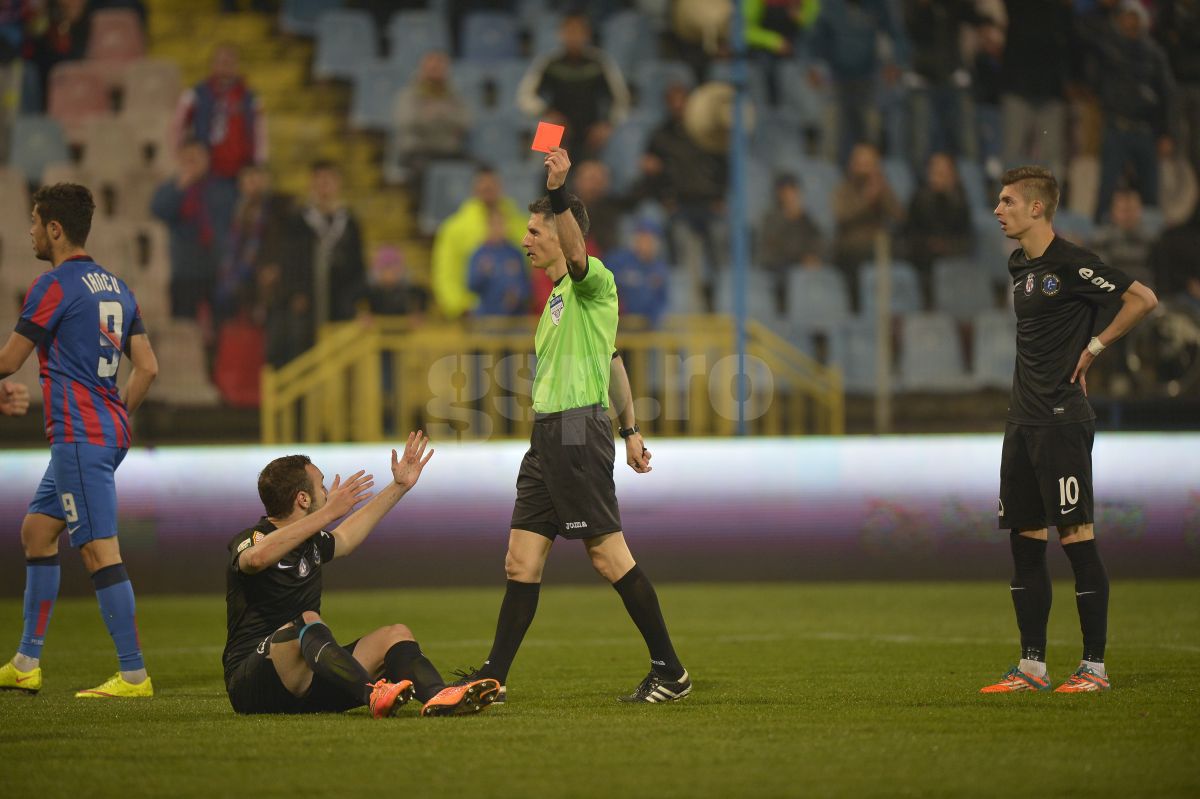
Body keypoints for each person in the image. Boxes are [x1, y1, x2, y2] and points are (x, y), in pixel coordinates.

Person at [455, 147, 691, 704]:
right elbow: (612, 361)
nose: (525, 240)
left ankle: (671, 671)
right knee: (521, 558)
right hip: (548, 438)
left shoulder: (595, 281)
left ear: (563, 234)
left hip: (578, 433)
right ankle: (495, 675)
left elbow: (580, 253)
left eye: (536, 230)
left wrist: (560, 191)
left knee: (609, 556)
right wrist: (632, 430)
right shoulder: (560, 300)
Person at [981, 166, 1157, 694]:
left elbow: (1143, 298)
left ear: (1037, 208)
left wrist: (1096, 346)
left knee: (1076, 537)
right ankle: (1032, 667)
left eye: (1007, 201)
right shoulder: (1020, 266)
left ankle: (1094, 668)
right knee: (1025, 540)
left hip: (1062, 420)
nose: (998, 209)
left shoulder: (1074, 263)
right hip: (1023, 422)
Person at [0, 183, 160, 698]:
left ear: (54, 228)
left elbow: (7, 363)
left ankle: (133, 674)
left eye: (33, 221)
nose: (29, 231)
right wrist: (115, 414)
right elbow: (149, 369)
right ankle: (26, 663)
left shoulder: (53, 285)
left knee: (96, 549)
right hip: (105, 432)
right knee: (36, 533)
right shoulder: (117, 286)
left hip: (78, 436)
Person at [223, 433, 501, 717]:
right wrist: (328, 513)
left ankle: (438, 696)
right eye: (322, 486)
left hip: (306, 683)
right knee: (305, 620)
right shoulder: (253, 537)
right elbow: (256, 559)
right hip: (252, 684)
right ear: (303, 499)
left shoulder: (312, 541)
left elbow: (345, 537)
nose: (328, 493)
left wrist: (399, 486)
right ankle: (373, 693)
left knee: (395, 634)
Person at [267, 161, 365, 367]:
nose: (324, 187)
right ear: (311, 185)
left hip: (341, 300)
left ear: (338, 184)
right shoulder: (297, 221)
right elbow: (289, 260)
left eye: (329, 181)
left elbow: (358, 263)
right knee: (302, 350)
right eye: (319, 181)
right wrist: (296, 292)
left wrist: (356, 297)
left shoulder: (349, 222)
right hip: (306, 300)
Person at [516, 13, 631, 159]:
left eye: (578, 31)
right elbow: (524, 96)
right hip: (554, 127)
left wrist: (607, 125)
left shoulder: (600, 62)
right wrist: (547, 113)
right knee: (546, 172)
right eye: (569, 31)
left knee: (589, 176)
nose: (573, 37)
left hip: (590, 132)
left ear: (587, 34)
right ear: (560, 34)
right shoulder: (549, 62)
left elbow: (622, 99)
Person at [150, 139, 238, 323]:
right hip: (185, 270)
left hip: (218, 270)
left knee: (222, 326)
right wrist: (180, 188)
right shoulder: (172, 187)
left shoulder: (222, 188)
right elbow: (159, 210)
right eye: (188, 159)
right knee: (183, 327)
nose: (193, 163)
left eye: (197, 158)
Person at [431, 166, 528, 321]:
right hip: (474, 317)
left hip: (515, 316)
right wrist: (460, 308)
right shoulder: (453, 228)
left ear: (500, 186)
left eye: (492, 184)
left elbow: (531, 271)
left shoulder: (522, 224)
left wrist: (525, 298)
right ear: (474, 188)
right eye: (483, 184)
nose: (488, 188)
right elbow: (445, 273)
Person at [172, 42, 266, 182]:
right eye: (221, 61)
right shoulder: (195, 94)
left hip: (240, 173)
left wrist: (259, 163)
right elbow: (176, 127)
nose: (225, 66)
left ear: (236, 65)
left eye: (230, 62)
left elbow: (260, 132)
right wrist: (179, 159)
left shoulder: (250, 97)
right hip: (204, 172)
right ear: (213, 64)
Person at [391, 50, 470, 193]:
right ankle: (422, 212)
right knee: (421, 172)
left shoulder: (454, 96)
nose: (436, 72)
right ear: (423, 69)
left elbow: (465, 121)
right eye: (432, 68)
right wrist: (433, 117)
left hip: (448, 151)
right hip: (418, 151)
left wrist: (441, 115)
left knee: (477, 168)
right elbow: (406, 121)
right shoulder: (408, 95)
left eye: (439, 67)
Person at [607, 218, 671, 328]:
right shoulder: (619, 261)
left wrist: (653, 318)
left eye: (649, 239)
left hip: (648, 328)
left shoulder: (660, 269)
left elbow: (662, 301)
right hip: (618, 325)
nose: (644, 243)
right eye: (641, 237)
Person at [467, 209, 531, 317]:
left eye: (500, 224)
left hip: (514, 318)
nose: (497, 228)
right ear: (487, 226)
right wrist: (483, 273)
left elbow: (527, 285)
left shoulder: (515, 253)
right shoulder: (479, 254)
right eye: (493, 224)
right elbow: (471, 285)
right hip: (486, 318)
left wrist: (517, 294)